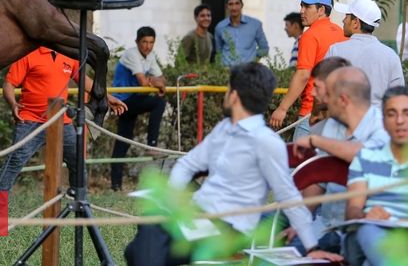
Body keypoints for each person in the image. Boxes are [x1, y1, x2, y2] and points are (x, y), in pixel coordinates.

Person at [124, 63, 343, 265]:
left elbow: (288, 195)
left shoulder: (266, 141)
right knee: (146, 233)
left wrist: (311, 245)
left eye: (228, 90)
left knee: (147, 242)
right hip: (200, 215)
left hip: (229, 228)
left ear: (234, 96)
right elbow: (187, 165)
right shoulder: (224, 129)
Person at [0, 47, 126, 192]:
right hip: (30, 120)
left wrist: (108, 98)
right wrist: (13, 104)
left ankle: (80, 202)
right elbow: (9, 84)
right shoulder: (29, 53)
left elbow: (83, 81)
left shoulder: (69, 54)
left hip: (61, 120)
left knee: (78, 161)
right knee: (14, 162)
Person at [290, 67, 389, 254]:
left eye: (328, 94)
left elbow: (364, 155)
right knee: (291, 248)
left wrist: (316, 140)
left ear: (343, 100)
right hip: (325, 225)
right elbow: (319, 178)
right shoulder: (334, 125)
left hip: (363, 230)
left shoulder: (382, 126)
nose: (322, 98)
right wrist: (301, 223)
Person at [270, 0, 346, 139]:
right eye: (301, 5)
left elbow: (304, 74)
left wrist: (282, 108)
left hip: (312, 114)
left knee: (300, 162)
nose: (301, 11)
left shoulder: (310, 35)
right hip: (339, 113)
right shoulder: (342, 32)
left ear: (321, 10)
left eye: (307, 6)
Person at [345, 86, 408, 266]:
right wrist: (365, 214)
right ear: (384, 121)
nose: (400, 121)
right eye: (391, 114)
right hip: (369, 234)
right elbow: (352, 210)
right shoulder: (366, 158)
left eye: (406, 113)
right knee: (366, 229)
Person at [111, 26, 167, 191]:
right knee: (158, 103)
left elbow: (162, 79)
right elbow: (144, 82)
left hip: (133, 99)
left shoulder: (150, 56)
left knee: (123, 140)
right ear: (137, 42)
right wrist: (154, 81)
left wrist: (155, 81)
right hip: (123, 100)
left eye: (151, 42)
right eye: (144, 42)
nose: (148, 46)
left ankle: (116, 186)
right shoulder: (132, 54)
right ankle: (152, 144)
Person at [326, 0, 404, 107]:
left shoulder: (335, 51)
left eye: (346, 16)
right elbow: (397, 98)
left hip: (343, 120)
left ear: (355, 23)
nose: (343, 21)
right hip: (378, 122)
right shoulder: (391, 56)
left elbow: (324, 90)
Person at [214, 0, 269, 66]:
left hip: (248, 72)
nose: (234, 7)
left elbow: (264, 49)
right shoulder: (220, 27)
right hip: (226, 72)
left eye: (237, 3)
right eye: (231, 4)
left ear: (242, 5)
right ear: (226, 6)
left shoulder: (255, 24)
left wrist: (253, 60)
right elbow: (219, 52)